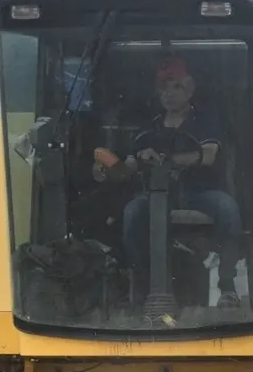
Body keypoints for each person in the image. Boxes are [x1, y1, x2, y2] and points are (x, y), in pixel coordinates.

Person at [94, 55, 244, 308]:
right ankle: (141, 286)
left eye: (175, 86)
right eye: (163, 87)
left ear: (191, 87)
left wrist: (166, 160)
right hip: (157, 195)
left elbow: (207, 156)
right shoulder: (149, 128)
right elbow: (129, 167)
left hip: (200, 192)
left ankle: (227, 288)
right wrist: (108, 171)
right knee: (132, 212)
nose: (168, 93)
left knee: (228, 208)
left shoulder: (206, 120)